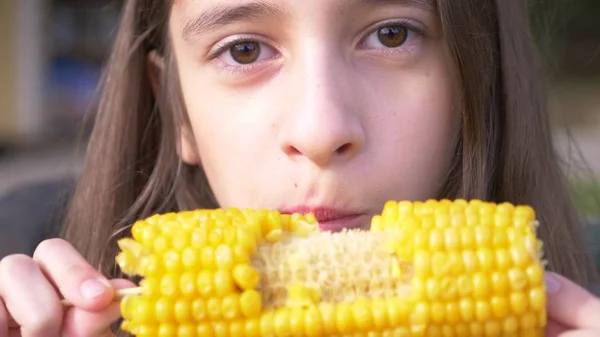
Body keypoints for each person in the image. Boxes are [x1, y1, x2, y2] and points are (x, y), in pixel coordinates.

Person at [1, 0, 599, 336]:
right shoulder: (20, 257)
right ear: (174, 108)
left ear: (478, 72)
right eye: (243, 50)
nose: (321, 131)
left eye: (392, 35)